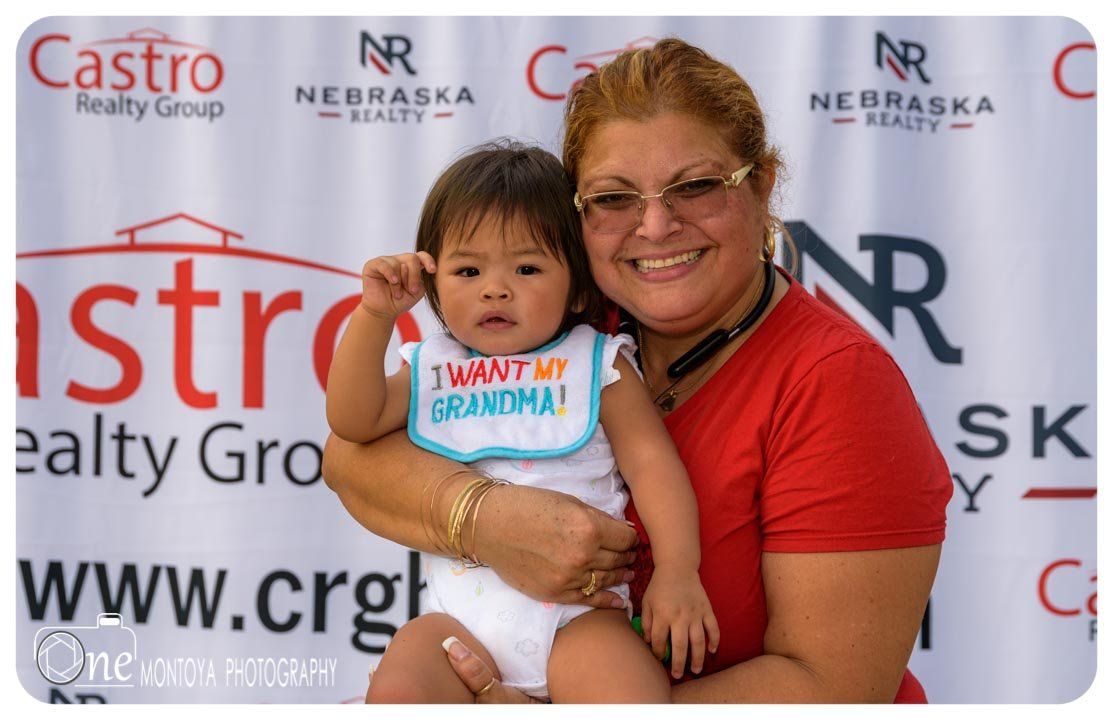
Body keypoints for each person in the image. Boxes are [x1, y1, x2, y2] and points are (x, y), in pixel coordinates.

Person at [323, 38, 953, 703]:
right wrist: (484, 519)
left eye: (696, 186)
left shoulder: (837, 383)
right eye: (613, 198)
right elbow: (349, 456)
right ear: (575, 216)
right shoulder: (562, 323)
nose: (654, 226)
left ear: (763, 186)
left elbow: (834, 689)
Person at [325, 142, 719, 703]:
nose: (495, 287)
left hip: (580, 621)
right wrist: (374, 318)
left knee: (627, 695)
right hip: (457, 626)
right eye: (468, 269)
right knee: (399, 687)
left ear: (579, 286)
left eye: (528, 267)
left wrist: (679, 572)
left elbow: (655, 468)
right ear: (435, 285)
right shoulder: (432, 368)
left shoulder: (598, 366)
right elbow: (351, 421)